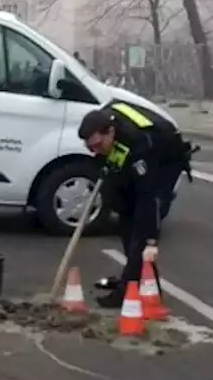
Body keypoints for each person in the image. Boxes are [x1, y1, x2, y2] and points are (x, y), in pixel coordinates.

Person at [77, 100, 195, 308]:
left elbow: (148, 198)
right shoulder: (103, 123)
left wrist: (151, 241)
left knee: (137, 227)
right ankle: (145, 282)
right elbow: (110, 172)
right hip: (134, 157)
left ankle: (126, 291)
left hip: (165, 161)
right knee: (123, 211)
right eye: (90, 147)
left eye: (97, 146)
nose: (95, 151)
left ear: (111, 132)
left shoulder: (140, 145)